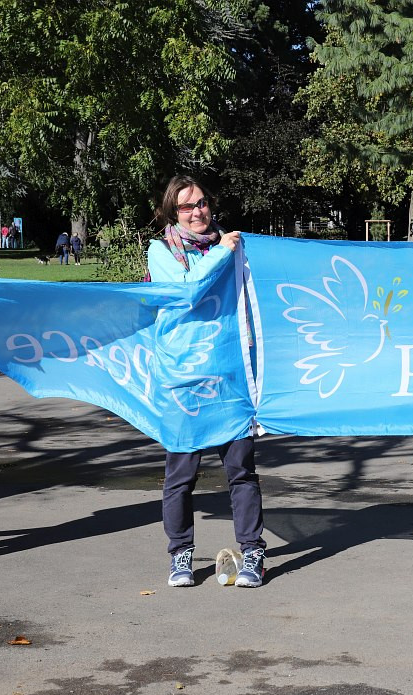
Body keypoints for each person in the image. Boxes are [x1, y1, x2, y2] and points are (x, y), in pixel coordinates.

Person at [147, 174, 266, 588]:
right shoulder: (160, 251)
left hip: (231, 374)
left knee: (241, 471)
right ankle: (181, 554)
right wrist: (221, 253)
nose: (197, 212)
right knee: (180, 475)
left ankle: (252, 552)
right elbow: (185, 290)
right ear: (171, 212)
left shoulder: (235, 246)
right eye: (186, 206)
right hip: (183, 380)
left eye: (201, 203)